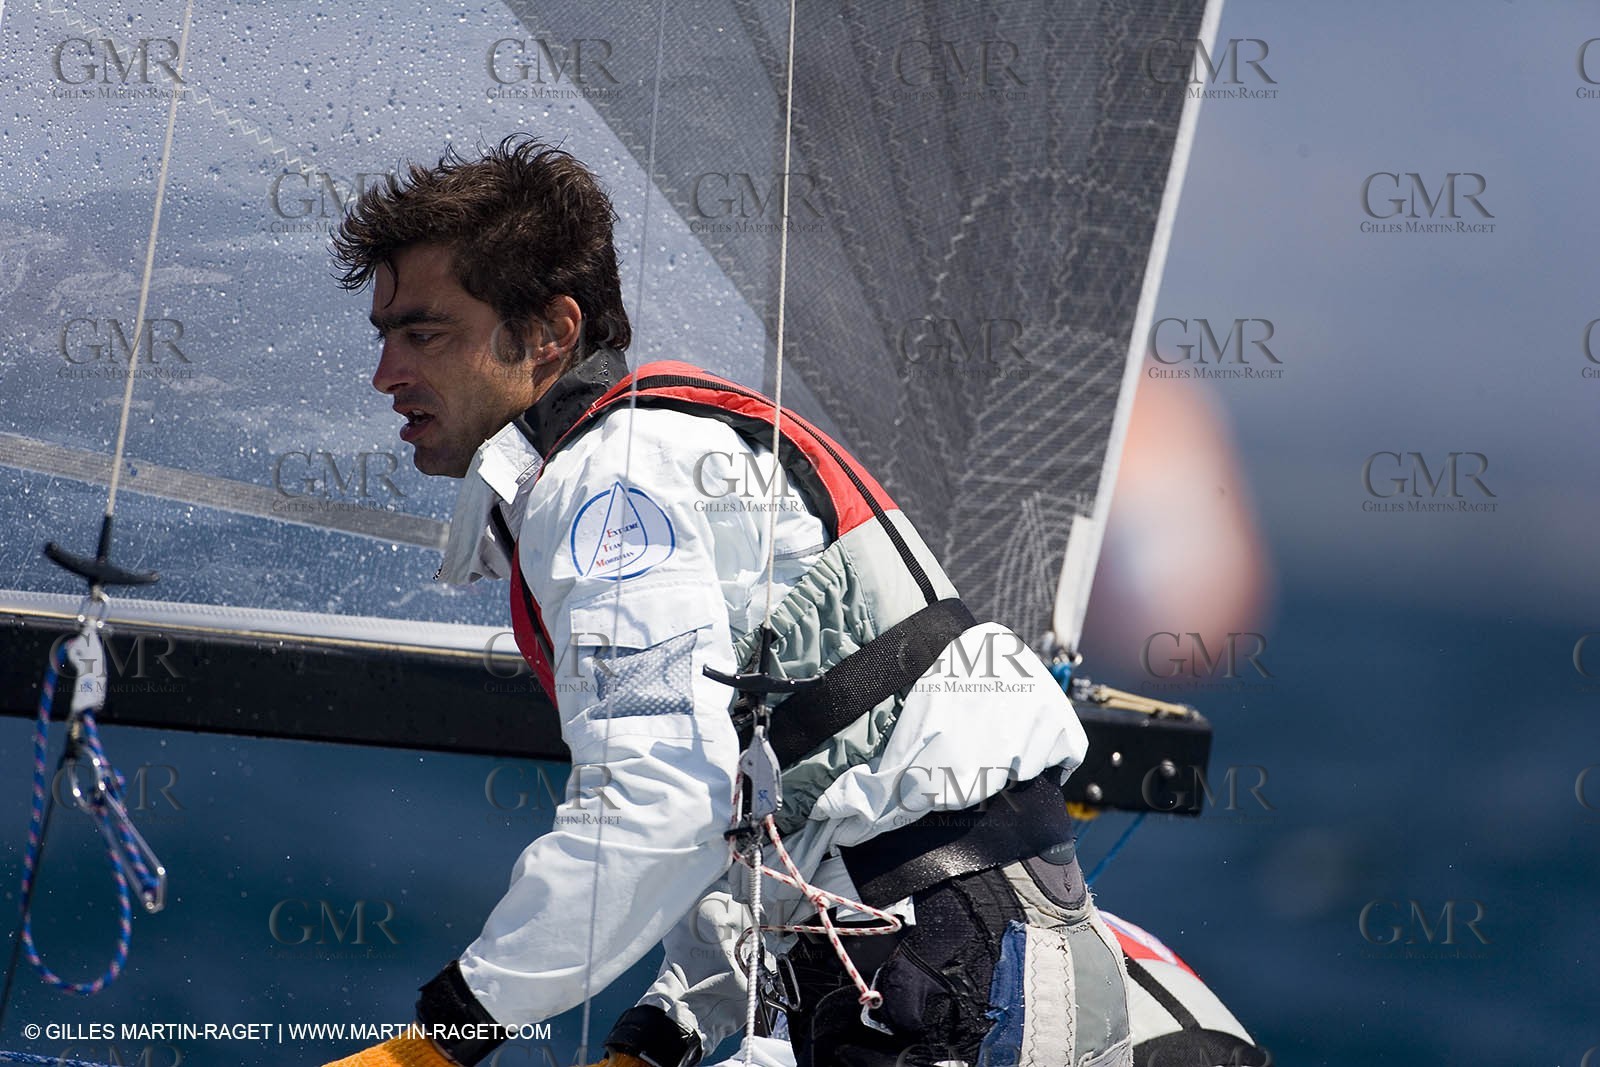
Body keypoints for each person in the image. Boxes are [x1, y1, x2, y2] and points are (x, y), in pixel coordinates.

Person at [322, 135, 1133, 1067]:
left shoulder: (605, 486)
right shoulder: (658, 450)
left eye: (423, 333)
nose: (384, 374)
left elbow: (663, 804)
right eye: (383, 336)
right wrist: (663, 1031)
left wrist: (436, 1043)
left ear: (548, 333)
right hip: (973, 952)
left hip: (939, 973)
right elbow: (754, 815)